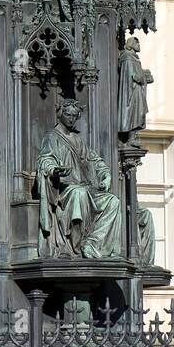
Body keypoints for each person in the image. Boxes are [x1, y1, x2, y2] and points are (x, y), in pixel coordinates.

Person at [35, 99, 122, 259]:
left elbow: (95, 160)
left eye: (74, 116)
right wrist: (54, 170)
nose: (71, 118)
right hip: (65, 191)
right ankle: (75, 247)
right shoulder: (52, 137)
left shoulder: (78, 139)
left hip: (87, 188)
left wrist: (106, 175)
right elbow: (45, 159)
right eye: (67, 114)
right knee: (79, 193)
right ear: (60, 114)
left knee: (113, 201)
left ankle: (92, 243)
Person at [118, 35, 154, 138]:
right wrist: (142, 78)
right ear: (132, 44)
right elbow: (131, 75)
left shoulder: (134, 58)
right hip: (132, 91)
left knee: (139, 113)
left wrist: (145, 76)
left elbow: (136, 74)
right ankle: (131, 136)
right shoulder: (127, 58)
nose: (139, 45)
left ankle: (133, 136)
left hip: (137, 89)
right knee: (135, 112)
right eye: (137, 43)